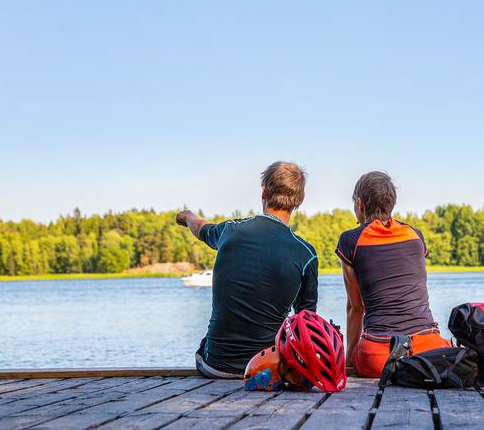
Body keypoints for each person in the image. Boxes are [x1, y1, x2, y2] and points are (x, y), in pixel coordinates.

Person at [176, 161, 318, 378]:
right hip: (269, 368)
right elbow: (306, 322)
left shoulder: (230, 231)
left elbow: (200, 228)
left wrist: (187, 216)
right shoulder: (306, 253)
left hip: (217, 366)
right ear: (300, 200)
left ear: (263, 190)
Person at [335, 171, 450, 377]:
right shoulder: (415, 235)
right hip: (429, 351)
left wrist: (349, 361)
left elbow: (355, 307)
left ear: (360, 204)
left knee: (363, 356)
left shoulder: (350, 240)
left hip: (378, 357)